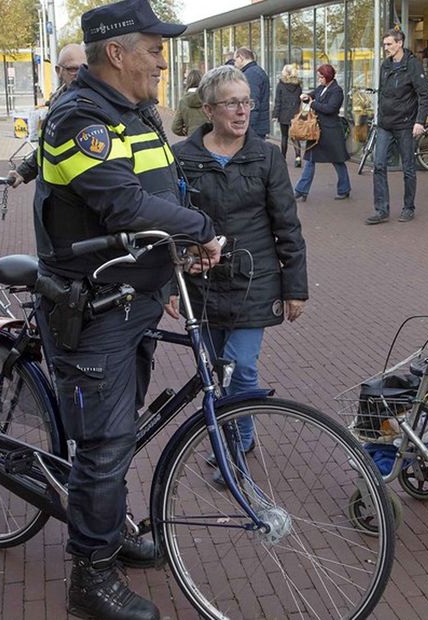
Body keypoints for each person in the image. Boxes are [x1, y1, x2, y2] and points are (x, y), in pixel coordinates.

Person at [32, 1, 221, 618]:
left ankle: (106, 525)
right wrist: (201, 228)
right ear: (116, 53)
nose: (163, 61)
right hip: (92, 312)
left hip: (132, 299)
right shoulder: (78, 118)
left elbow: (161, 192)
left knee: (119, 432)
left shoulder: (134, 112)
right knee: (104, 445)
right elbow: (125, 206)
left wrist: (174, 260)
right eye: (154, 49)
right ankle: (90, 577)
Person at [170, 66, 308, 466]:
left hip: (255, 279)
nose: (242, 111)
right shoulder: (182, 158)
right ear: (209, 109)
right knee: (214, 370)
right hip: (202, 284)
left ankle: (240, 440)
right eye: (232, 103)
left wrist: (295, 287)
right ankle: (230, 435)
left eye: (247, 102)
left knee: (241, 366)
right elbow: (170, 225)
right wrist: (167, 284)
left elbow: (287, 224)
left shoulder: (266, 156)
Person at [368, 28, 428, 225]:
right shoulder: (385, 65)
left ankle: (408, 207)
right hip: (385, 124)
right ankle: (381, 210)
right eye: (384, 44)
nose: (385, 48)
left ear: (400, 43)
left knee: (408, 168)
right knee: (378, 165)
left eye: (389, 44)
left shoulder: (413, 65)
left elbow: (424, 95)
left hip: (405, 125)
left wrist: (419, 121)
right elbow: (383, 94)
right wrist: (378, 118)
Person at [9, 43, 87, 187]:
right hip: (55, 193)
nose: (79, 73)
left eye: (83, 68)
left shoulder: (95, 100)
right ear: (58, 71)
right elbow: (49, 144)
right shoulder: (57, 100)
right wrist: (23, 171)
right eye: (72, 69)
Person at [293, 64, 350, 202]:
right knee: (310, 160)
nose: (319, 79)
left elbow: (330, 108)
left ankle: (344, 189)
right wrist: (306, 96)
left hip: (331, 131)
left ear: (328, 76)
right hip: (317, 130)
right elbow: (313, 95)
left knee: (338, 161)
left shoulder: (337, 91)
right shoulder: (322, 88)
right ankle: (301, 190)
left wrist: (312, 104)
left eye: (321, 77)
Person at [233, 47, 269, 140]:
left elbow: (251, 103)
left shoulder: (251, 74)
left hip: (254, 128)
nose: (234, 63)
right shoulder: (256, 71)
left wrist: (246, 127)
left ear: (241, 57)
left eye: (235, 60)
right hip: (258, 126)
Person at [272, 63, 303, 167]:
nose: (282, 72)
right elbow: (299, 100)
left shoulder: (281, 85)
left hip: (283, 113)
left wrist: (275, 115)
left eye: (283, 70)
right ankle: (298, 158)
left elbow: (278, 101)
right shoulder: (298, 85)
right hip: (295, 114)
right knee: (295, 136)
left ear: (286, 73)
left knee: (284, 136)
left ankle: (283, 158)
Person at [170, 69, 205, 137]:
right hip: (210, 140)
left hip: (192, 140)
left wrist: (187, 132)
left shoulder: (183, 101)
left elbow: (175, 128)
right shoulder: (209, 98)